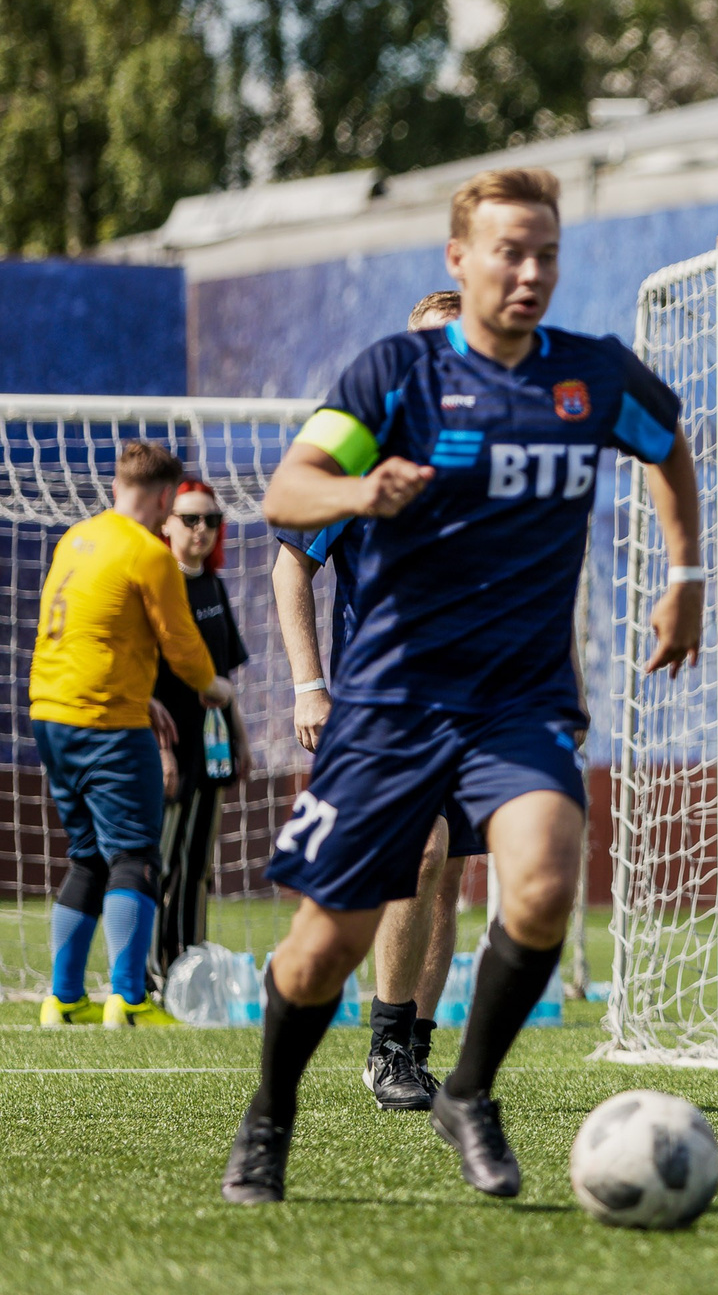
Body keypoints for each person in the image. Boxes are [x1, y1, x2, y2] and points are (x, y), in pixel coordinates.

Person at [222, 166, 702, 1206]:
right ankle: (270, 1117)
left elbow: (669, 447)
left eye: (545, 254)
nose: (528, 273)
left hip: (517, 701)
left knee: (541, 879)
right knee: (323, 951)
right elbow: (287, 495)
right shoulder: (396, 376)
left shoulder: (591, 378)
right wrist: (361, 487)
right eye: (506, 253)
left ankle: (469, 1091)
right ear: (459, 259)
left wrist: (687, 578)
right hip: (389, 706)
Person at [271, 289, 474, 1112]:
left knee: (449, 873)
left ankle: (414, 1052)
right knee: (415, 857)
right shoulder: (359, 447)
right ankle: (386, 1042)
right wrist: (308, 684)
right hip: (379, 697)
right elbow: (292, 563)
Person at [32, 440, 235, 1028]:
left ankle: (63, 998)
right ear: (167, 496)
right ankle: (128, 997)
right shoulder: (148, 553)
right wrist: (218, 689)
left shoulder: (77, 537)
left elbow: (79, 630)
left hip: (51, 711)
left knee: (88, 854)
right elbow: (185, 651)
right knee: (137, 855)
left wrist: (141, 694)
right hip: (106, 723)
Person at [149, 478, 251, 989]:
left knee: (196, 865)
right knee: (159, 862)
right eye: (190, 518)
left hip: (210, 744)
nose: (202, 529)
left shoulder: (212, 586)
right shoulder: (156, 583)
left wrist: (241, 739)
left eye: (211, 520)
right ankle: (147, 973)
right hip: (165, 745)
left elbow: (224, 678)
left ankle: (190, 972)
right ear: (165, 523)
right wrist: (161, 749)